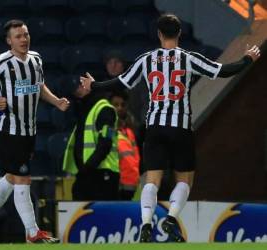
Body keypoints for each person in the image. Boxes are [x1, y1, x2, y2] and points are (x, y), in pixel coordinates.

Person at [80, 13, 260, 242]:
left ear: (158, 34)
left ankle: (146, 223)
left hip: (155, 127)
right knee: (184, 180)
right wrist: (247, 59)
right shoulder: (189, 58)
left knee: (152, 181)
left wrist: (93, 85)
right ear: (180, 33)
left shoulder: (147, 59)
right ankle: (171, 218)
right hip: (180, 127)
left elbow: (121, 82)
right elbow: (223, 71)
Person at [0, 19, 69, 243]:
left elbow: (39, 86)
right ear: (9, 41)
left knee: (12, 176)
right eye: (18, 36)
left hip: (29, 130)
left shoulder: (36, 59)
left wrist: (56, 102)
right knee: (23, 178)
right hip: (10, 130)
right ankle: (32, 232)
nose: (23, 39)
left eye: (25, 34)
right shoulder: (0, 63)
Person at [62, 84, 120, 201]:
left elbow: (105, 144)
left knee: (102, 215)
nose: (77, 89)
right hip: (87, 174)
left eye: (80, 85)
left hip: (102, 173)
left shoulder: (105, 109)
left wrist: (87, 168)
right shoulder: (85, 109)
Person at [109, 91, 140, 200]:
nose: (120, 108)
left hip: (132, 187)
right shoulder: (108, 130)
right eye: (116, 105)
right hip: (116, 187)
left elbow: (136, 160)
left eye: (122, 105)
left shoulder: (129, 132)